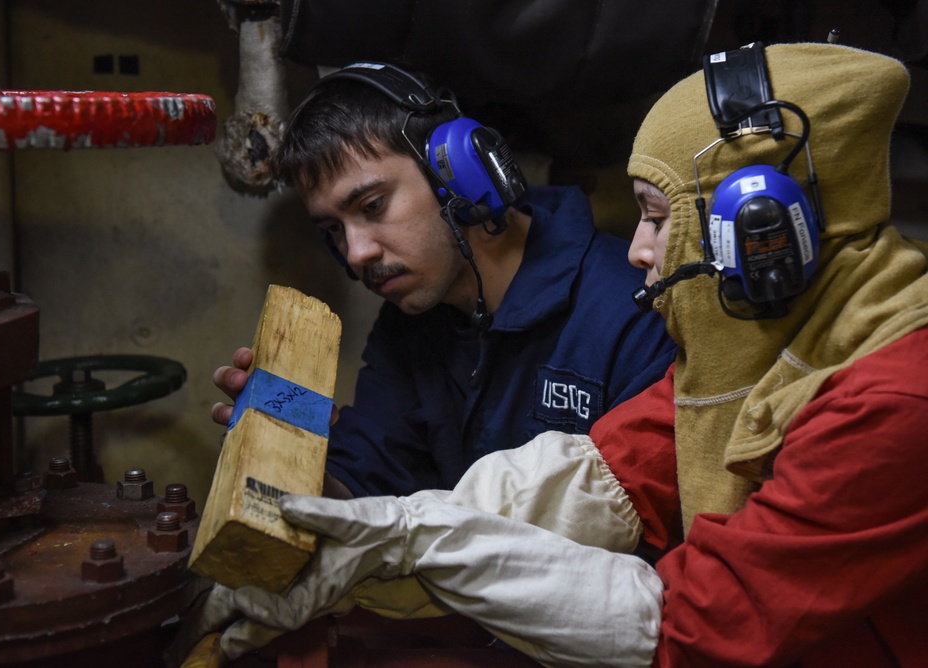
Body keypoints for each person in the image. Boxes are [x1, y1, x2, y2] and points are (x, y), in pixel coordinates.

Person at [175, 41, 928, 667]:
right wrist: (376, 533)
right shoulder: (749, 366)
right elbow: (604, 477)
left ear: (763, 230)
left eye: (659, 218)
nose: (638, 251)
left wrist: (423, 544)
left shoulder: (894, 402)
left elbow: (691, 624)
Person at [212, 61, 676, 498]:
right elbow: (363, 491)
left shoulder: (634, 312)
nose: (356, 254)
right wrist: (291, 451)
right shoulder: (410, 323)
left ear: (457, 176)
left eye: (373, 205)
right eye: (334, 229)